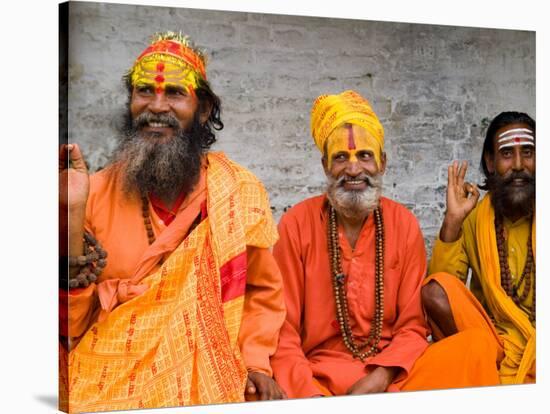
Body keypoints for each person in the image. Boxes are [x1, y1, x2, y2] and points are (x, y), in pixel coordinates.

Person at [58, 31, 286, 412]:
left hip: (212, 375)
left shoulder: (235, 191)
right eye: (144, 91)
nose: (157, 107)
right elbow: (70, 326)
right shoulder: (93, 192)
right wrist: (70, 213)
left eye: (175, 93)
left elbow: (261, 293)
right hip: (108, 376)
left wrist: (256, 363)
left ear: (204, 109)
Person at [270, 90, 500, 398]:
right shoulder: (296, 224)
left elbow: (413, 326)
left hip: (394, 377)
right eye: (341, 157)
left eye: (365, 155)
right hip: (319, 377)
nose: (353, 169)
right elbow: (282, 331)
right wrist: (310, 396)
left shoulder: (403, 224)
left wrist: (379, 379)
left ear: (383, 163)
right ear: (326, 165)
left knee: (476, 346)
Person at [424, 111, 536, 384]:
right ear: (490, 161)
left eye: (529, 153)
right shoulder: (475, 217)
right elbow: (445, 288)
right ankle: (482, 362)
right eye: (507, 154)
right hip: (495, 340)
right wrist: (453, 221)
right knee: (435, 290)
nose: (519, 165)